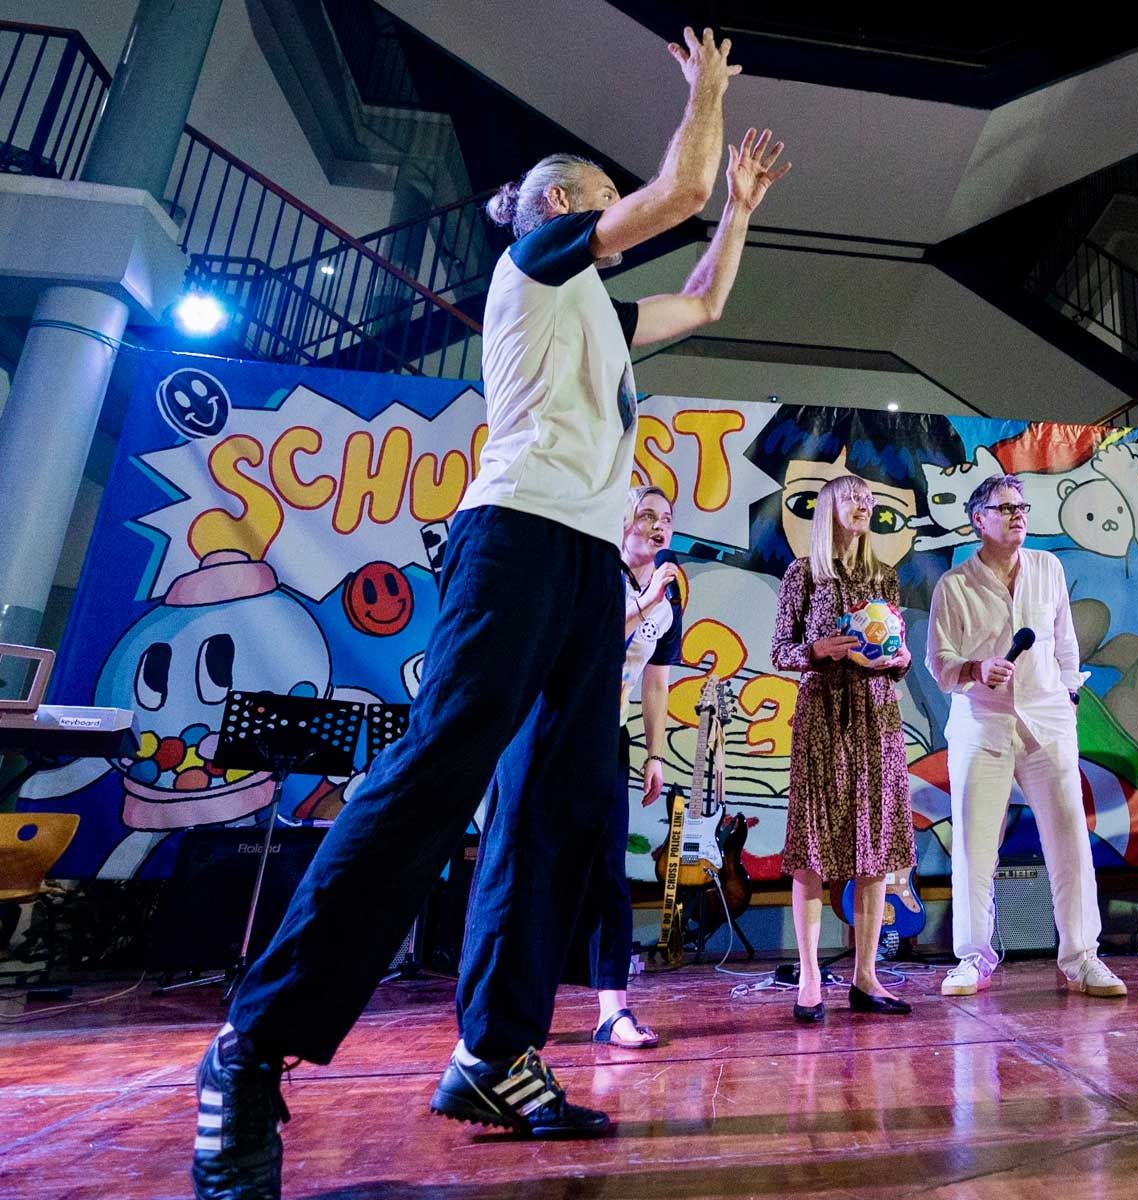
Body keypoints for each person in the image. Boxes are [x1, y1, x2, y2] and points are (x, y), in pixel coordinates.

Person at [190, 29, 793, 1199]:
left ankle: (495, 1053)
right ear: (564, 206)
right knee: (437, 774)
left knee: (554, 808)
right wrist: (707, 98)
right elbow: (672, 190)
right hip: (512, 537)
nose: (616, 212)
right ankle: (251, 1048)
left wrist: (745, 208)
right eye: (601, 200)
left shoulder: (600, 319)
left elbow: (708, 296)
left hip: (584, 570)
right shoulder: (536, 265)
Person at [927, 475, 1126, 1000]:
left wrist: (1069, 698)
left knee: (1069, 839)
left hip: (1048, 723)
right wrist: (975, 668)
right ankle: (972, 958)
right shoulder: (954, 585)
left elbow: (1065, 647)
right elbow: (939, 664)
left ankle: (1083, 959)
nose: (1018, 514)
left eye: (1022, 506)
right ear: (978, 520)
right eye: (1005, 507)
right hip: (982, 724)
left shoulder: (1048, 568)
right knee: (974, 844)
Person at [770, 475, 916, 1020]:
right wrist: (819, 648)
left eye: (868, 500)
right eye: (853, 498)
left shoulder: (884, 577)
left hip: (876, 716)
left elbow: (899, 649)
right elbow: (780, 650)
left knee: (873, 851)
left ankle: (866, 976)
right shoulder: (802, 574)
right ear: (829, 507)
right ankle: (809, 980)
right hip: (823, 716)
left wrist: (895, 661)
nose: (864, 506)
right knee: (812, 851)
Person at [581, 485, 682, 1048]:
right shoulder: (597, 567)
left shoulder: (668, 595)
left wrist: (655, 753)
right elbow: (594, 640)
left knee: (609, 871)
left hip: (609, 737)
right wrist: (645, 604)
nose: (657, 526)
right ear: (622, 521)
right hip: (556, 734)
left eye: (666, 518)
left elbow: (655, 677)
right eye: (646, 515)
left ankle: (611, 1010)